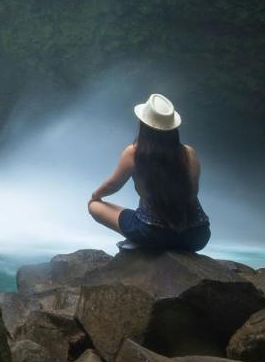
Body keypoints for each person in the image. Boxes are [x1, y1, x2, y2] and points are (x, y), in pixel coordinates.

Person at [87, 92, 211, 252]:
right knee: (142, 209)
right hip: (197, 236)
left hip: (154, 234)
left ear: (144, 125)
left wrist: (95, 196)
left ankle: (138, 241)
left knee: (95, 206)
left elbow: (113, 185)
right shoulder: (189, 153)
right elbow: (193, 192)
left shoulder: (134, 153)